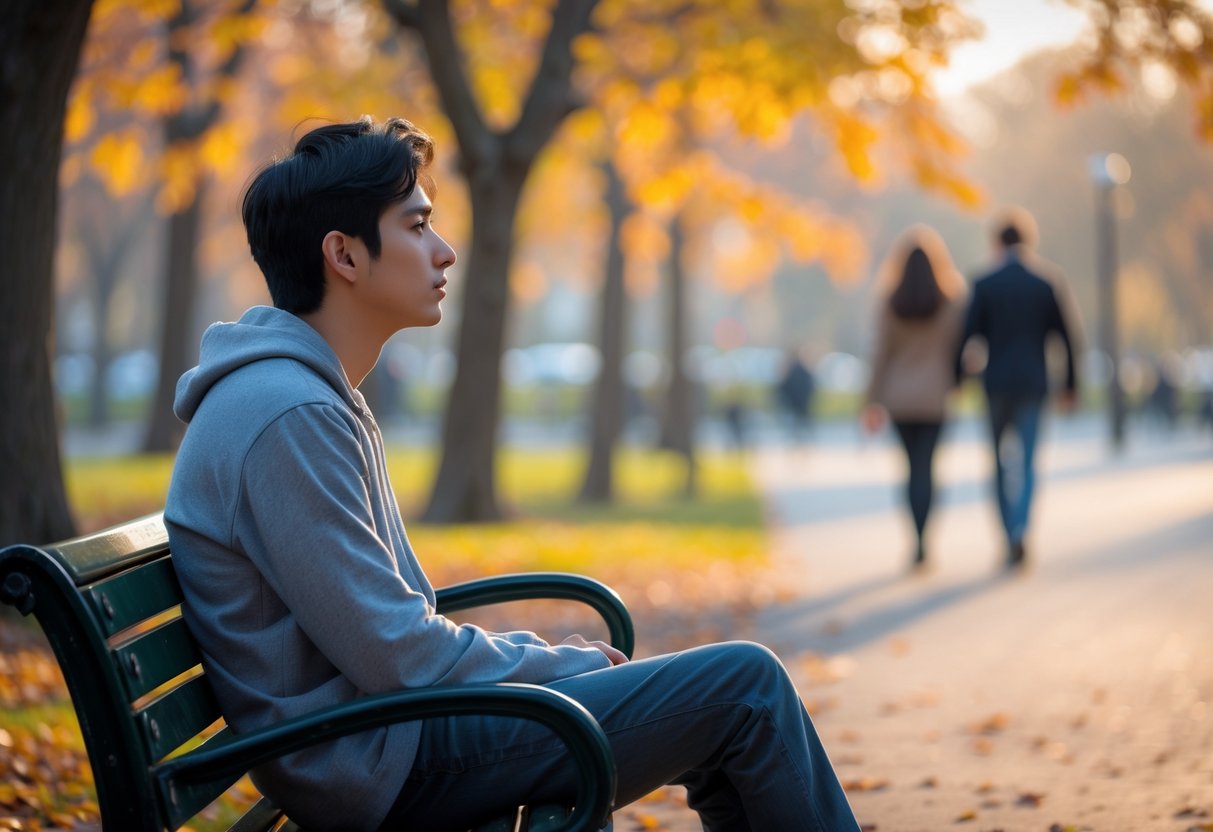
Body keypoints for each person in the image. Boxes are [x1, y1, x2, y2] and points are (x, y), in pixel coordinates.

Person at [164, 117, 860, 832]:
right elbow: (398, 653)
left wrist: (550, 663)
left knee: (718, 710)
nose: (444, 251)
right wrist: (556, 668)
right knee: (744, 689)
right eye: (416, 227)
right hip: (379, 762)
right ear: (343, 254)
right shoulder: (289, 413)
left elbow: (390, 640)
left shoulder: (301, 396)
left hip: (385, 737)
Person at [954, 207, 1080, 569]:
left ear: (997, 242)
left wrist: (957, 379)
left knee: (996, 462)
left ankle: (1007, 531)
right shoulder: (1046, 282)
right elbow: (1068, 338)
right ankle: (1021, 529)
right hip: (1033, 384)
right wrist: (1070, 384)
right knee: (1026, 461)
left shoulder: (984, 283)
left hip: (995, 386)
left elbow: (967, 337)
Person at [861, 226, 967, 570]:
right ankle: (926, 539)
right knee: (928, 469)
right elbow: (958, 348)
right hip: (935, 397)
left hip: (900, 398)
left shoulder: (891, 301)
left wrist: (871, 402)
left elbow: (881, 355)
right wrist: (959, 383)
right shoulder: (949, 300)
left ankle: (915, 539)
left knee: (910, 470)